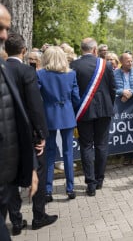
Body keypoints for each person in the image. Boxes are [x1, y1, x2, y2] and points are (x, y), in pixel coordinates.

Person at [5, 33, 58, 234]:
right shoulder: (27, 71)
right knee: (40, 173)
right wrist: (42, 134)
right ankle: (39, 215)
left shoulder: (2, 70)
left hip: (7, 135)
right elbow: (35, 106)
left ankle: (16, 221)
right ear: (24, 51)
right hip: (28, 133)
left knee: (10, 178)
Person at [0, 3, 37, 241]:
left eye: (6, 29)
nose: (4, 35)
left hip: (6, 180)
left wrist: (30, 165)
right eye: (0, 28)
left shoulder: (4, 68)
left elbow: (16, 119)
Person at [71, 38, 116, 196]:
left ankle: (90, 183)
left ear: (82, 49)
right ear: (95, 50)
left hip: (84, 112)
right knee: (102, 145)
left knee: (86, 146)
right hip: (104, 110)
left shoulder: (74, 65)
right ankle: (99, 180)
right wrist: (109, 105)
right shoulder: (106, 64)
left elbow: (73, 92)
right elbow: (113, 89)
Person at [37, 46, 80, 202]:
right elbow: (76, 97)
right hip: (67, 114)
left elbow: (37, 97)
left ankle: (48, 190)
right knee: (68, 153)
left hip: (49, 116)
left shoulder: (40, 74)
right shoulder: (71, 74)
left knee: (49, 153)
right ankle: (70, 188)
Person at [114, 52, 133, 165]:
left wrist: (131, 93)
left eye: (131, 60)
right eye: (127, 60)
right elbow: (112, 88)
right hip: (121, 105)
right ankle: (126, 156)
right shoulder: (115, 73)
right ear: (121, 61)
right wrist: (122, 92)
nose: (130, 62)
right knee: (124, 130)